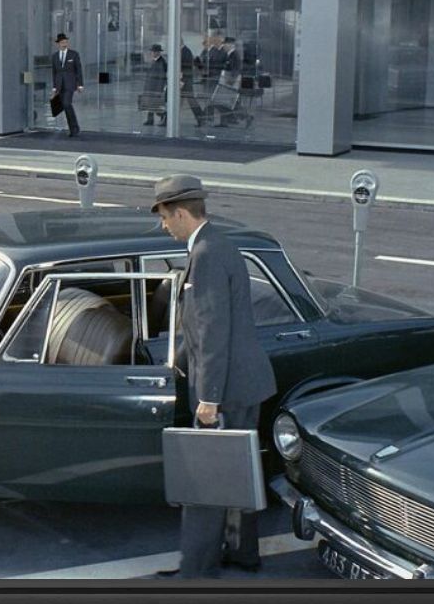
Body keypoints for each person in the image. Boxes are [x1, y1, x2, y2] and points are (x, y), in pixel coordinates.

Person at [151, 174, 276, 579]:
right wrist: (180, 363)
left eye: (165, 217)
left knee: (204, 482)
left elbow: (212, 332)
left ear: (182, 213)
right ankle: (242, 554)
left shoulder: (204, 254)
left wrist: (208, 398)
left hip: (226, 389)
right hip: (244, 383)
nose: (163, 225)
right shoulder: (217, 244)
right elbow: (206, 326)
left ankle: (194, 571)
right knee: (237, 473)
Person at [50, 32, 83, 137]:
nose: (64, 44)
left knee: (66, 103)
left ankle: (74, 128)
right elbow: (54, 72)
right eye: (62, 42)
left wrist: (80, 84)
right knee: (64, 105)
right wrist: (54, 87)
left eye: (65, 42)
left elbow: (78, 70)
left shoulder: (73, 54)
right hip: (59, 85)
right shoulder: (55, 56)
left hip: (70, 84)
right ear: (58, 44)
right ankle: (73, 128)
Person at [142, 43, 168, 126]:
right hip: (151, 87)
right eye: (152, 51)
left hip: (155, 88)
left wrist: (159, 90)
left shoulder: (161, 62)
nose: (152, 53)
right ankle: (150, 120)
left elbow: (161, 78)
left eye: (153, 51)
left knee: (156, 106)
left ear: (158, 52)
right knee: (151, 104)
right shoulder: (155, 60)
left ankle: (164, 118)